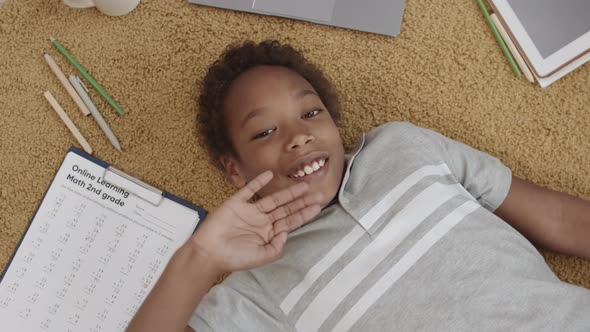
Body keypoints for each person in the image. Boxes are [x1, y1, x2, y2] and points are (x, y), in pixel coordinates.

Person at [127, 40, 590, 332]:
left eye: (311, 113)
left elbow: (558, 218)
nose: (299, 136)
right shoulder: (258, 290)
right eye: (265, 132)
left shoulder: (404, 147)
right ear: (235, 171)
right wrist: (200, 258)